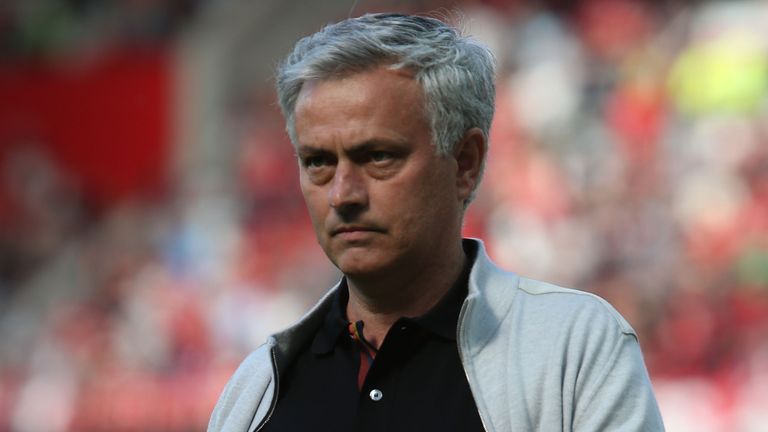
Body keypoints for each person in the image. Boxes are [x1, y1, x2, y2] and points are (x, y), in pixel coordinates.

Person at [208, 13, 665, 432]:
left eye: (378, 156)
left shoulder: (574, 348)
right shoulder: (257, 388)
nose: (343, 193)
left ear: (465, 162)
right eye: (318, 162)